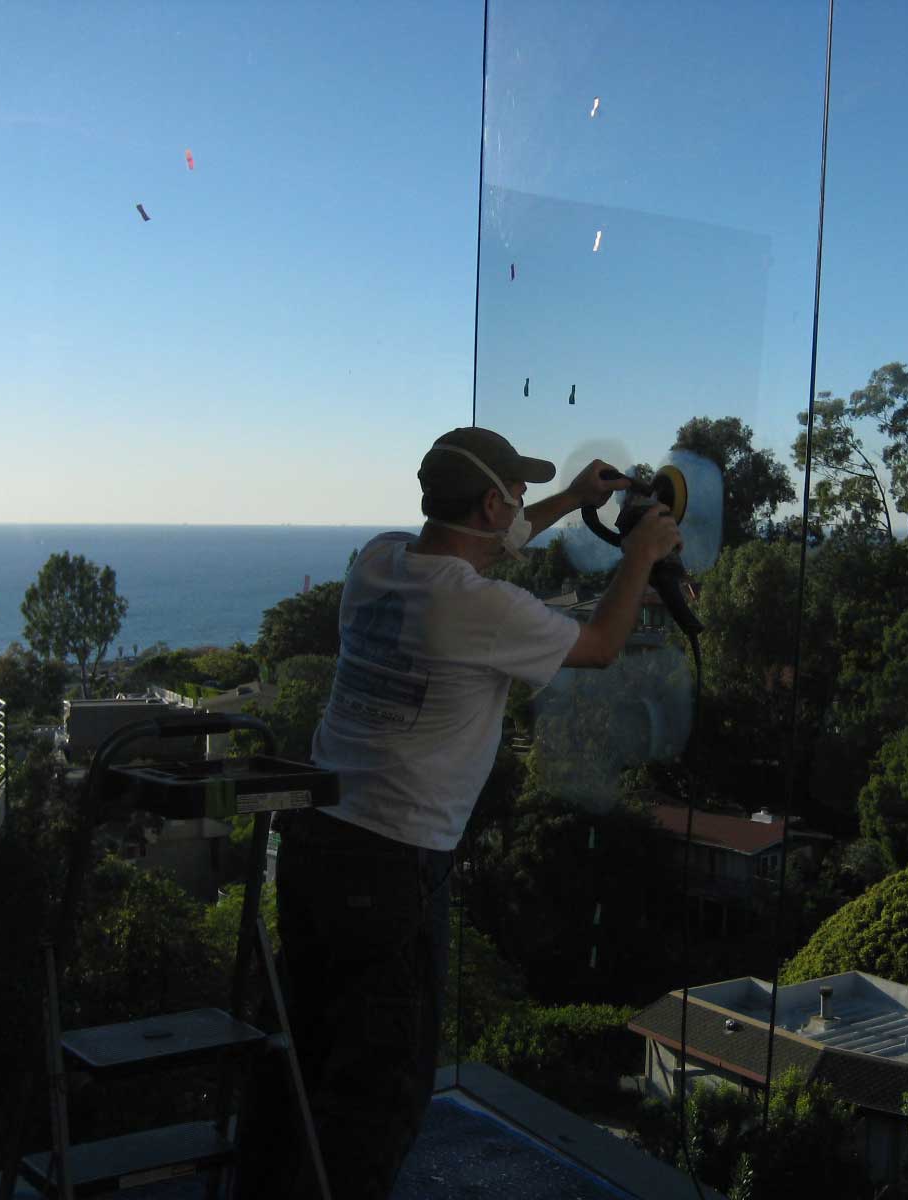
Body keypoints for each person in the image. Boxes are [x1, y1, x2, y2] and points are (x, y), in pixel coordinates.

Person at [239, 426, 682, 1198]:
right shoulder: (483, 610)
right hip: (391, 861)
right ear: (488, 500)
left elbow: (486, 542)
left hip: (314, 840)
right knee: (383, 1089)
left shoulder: (376, 562)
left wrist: (572, 502)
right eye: (512, 492)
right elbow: (603, 645)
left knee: (308, 1051)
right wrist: (640, 556)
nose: (518, 504)